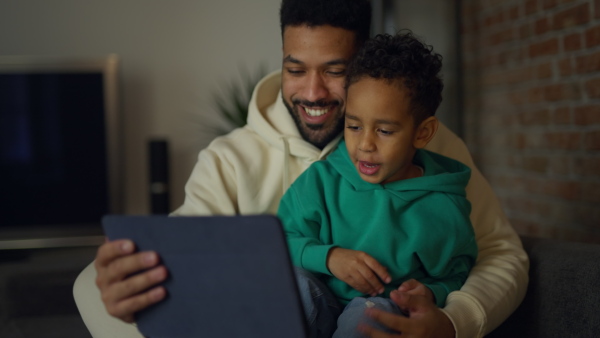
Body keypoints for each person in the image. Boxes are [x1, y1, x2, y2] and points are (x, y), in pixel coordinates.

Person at [73, 0, 529, 337]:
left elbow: (497, 255)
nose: (312, 92)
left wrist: (452, 322)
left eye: (335, 70)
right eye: (295, 68)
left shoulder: (436, 154)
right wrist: (127, 279)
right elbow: (187, 260)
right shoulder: (227, 160)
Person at [277, 31, 478, 338]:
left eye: (384, 131)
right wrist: (328, 257)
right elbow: (278, 243)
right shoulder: (320, 181)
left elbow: (457, 274)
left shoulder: (443, 207)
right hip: (321, 302)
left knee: (371, 316)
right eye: (354, 126)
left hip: (377, 312)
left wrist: (430, 293)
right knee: (295, 287)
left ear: (422, 133)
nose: (365, 144)